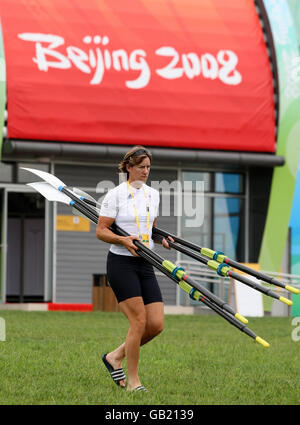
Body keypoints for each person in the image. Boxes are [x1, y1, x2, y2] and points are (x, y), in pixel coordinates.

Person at [96, 145, 173, 392]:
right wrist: (122, 240)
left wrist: (161, 238)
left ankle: (114, 356)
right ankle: (134, 382)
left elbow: (150, 228)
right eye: (141, 167)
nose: (146, 171)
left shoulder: (153, 194)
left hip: (145, 262)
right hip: (121, 263)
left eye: (148, 167)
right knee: (138, 322)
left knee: (156, 324)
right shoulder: (115, 195)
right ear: (128, 167)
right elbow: (102, 230)